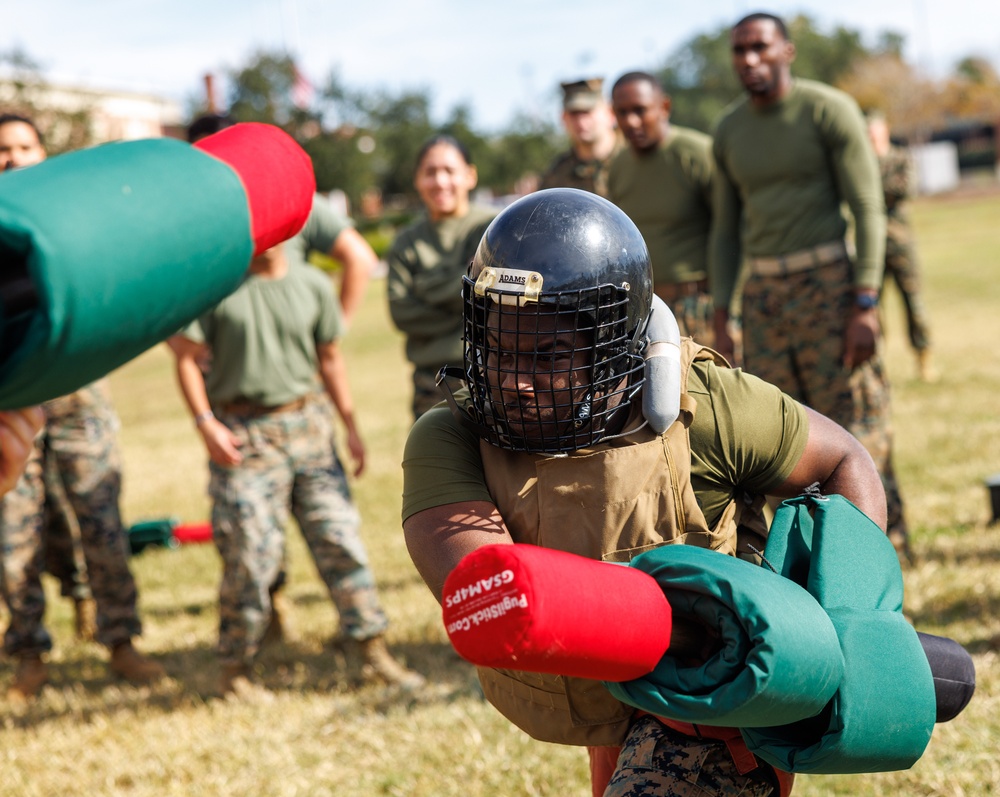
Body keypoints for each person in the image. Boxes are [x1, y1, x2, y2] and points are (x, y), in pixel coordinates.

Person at [402, 188, 886, 797]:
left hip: (721, 697)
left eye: (549, 355)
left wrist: (843, 627)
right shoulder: (451, 436)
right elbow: (502, 592)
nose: (517, 381)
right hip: (612, 688)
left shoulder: (706, 405)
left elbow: (845, 458)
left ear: (613, 342)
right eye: (499, 349)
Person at [170, 227, 423, 696]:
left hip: (309, 429)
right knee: (249, 554)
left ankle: (369, 648)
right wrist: (206, 423)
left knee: (339, 538)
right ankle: (235, 668)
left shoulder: (310, 284)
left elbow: (329, 358)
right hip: (245, 437)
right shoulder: (218, 289)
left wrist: (349, 426)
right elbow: (185, 358)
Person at [708, 13, 911, 559]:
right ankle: (806, 551)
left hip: (831, 287)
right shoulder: (728, 131)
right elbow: (727, 230)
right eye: (740, 51)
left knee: (856, 416)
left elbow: (868, 207)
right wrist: (724, 314)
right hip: (766, 296)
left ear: (786, 51)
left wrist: (865, 299)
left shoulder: (827, 109)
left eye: (760, 48)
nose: (749, 60)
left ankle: (881, 542)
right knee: (781, 430)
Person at [1, 115, 165, 702]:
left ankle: (120, 642)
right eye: (2, 149)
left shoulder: (66, 217)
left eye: (24, 147)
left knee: (102, 523)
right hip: (12, 405)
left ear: (42, 155)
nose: (13, 157)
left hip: (80, 400)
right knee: (14, 536)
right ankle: (28, 654)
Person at [386, 135, 496, 419]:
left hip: (496, 376)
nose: (440, 181)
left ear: (470, 175)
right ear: (417, 180)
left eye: (449, 171)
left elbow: (502, 299)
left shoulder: (493, 230)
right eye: (430, 172)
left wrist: (427, 288)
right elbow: (402, 313)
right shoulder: (407, 243)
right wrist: (469, 295)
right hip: (433, 384)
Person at [608, 71, 715, 345]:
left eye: (640, 110)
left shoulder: (697, 154)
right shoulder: (618, 167)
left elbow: (728, 231)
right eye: (622, 112)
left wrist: (728, 308)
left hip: (701, 305)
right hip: (646, 309)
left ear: (664, 107)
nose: (631, 121)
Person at [866, 110, 938, 382]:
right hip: (871, 245)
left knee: (913, 303)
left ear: (885, 130)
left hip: (900, 243)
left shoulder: (900, 157)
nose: (871, 135)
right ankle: (876, 364)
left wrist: (871, 189)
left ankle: (924, 359)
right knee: (871, 307)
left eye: (875, 130)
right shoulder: (861, 161)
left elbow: (905, 188)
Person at [539, 78, 622, 197]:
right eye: (574, 114)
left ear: (610, 113)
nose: (581, 122)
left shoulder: (633, 160)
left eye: (587, 112)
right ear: (563, 118)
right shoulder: (557, 175)